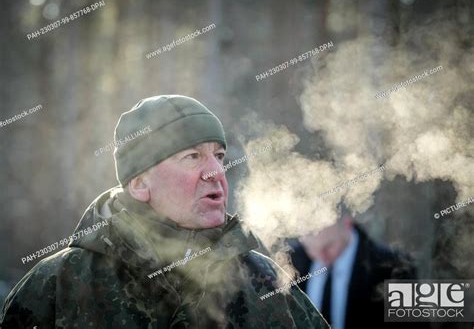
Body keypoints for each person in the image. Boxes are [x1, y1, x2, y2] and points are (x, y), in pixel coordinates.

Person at [1, 95, 329, 328]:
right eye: (192, 156)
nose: (215, 171)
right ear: (140, 183)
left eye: (219, 156)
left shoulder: (263, 279)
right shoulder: (63, 282)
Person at [291, 210, 419, 329]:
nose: (321, 257)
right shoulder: (289, 261)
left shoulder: (397, 267)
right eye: (311, 249)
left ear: (347, 223)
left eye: (328, 246)